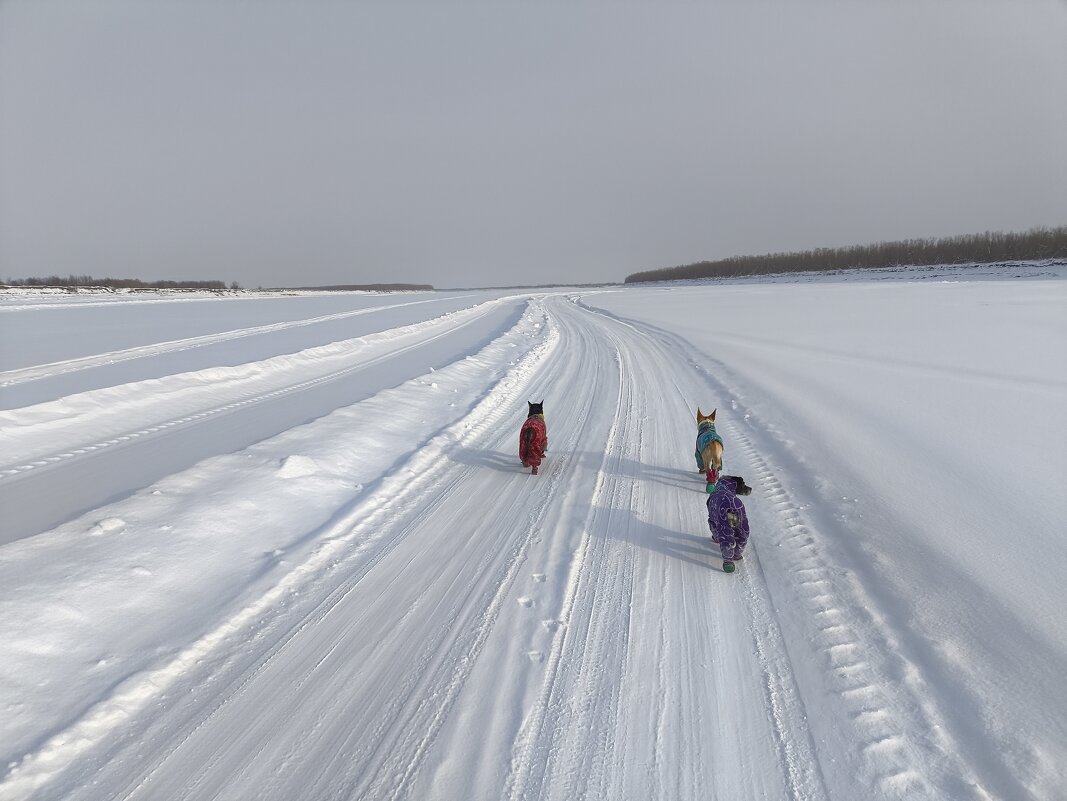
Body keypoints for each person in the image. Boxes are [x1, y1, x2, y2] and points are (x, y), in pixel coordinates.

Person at [707, 475, 752, 573]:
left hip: (721, 506)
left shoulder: (714, 495)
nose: (746, 489)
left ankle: (728, 561)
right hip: (737, 505)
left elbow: (712, 522)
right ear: (735, 486)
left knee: (724, 531)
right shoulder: (734, 499)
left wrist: (716, 537)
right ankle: (737, 553)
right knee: (742, 530)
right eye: (743, 487)